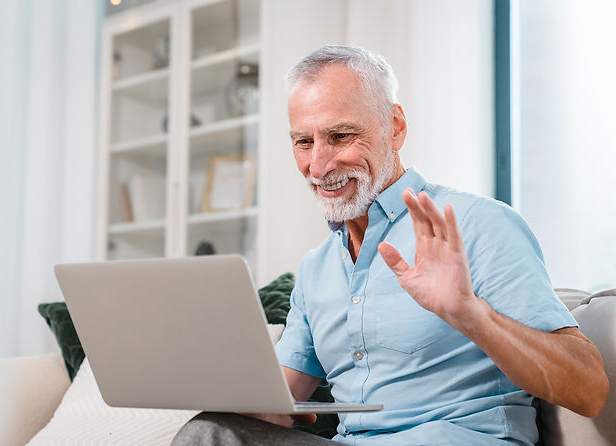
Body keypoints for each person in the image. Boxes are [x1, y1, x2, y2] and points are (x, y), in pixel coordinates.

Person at [171, 45, 609, 446]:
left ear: (395, 127)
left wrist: (469, 313)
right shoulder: (316, 270)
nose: (319, 166)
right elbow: (279, 405)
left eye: (340, 136)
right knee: (210, 431)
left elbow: (589, 391)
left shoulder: (479, 225)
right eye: (304, 142)